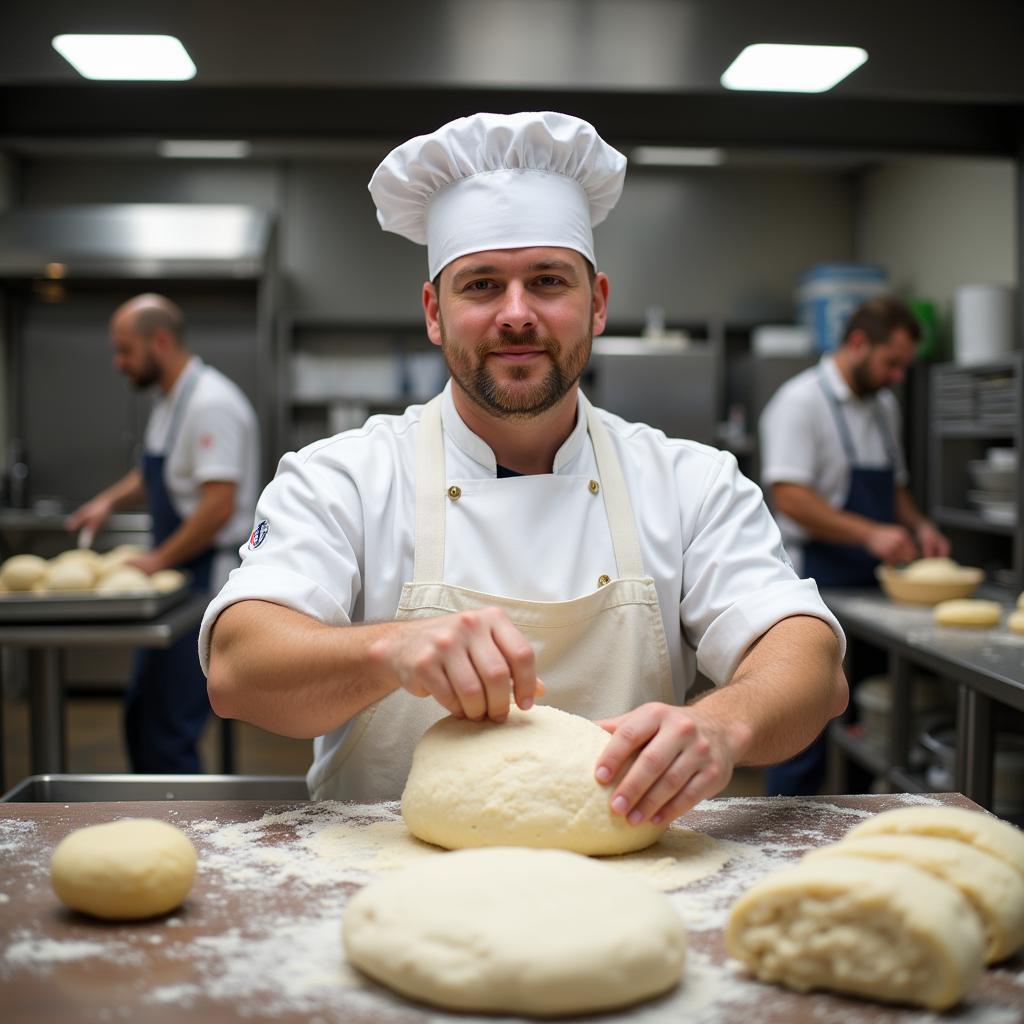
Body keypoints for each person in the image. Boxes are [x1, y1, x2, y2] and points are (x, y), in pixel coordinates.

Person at [201, 111, 848, 825]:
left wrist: (723, 725)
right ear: (433, 313)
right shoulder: (343, 477)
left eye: (547, 281)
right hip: (378, 885)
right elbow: (237, 670)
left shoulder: (690, 482)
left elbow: (810, 664)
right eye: (480, 285)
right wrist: (392, 647)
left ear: (597, 303)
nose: (516, 314)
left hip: (626, 891)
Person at [758, 296, 950, 794]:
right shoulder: (800, 402)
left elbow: (896, 488)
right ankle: (782, 827)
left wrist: (918, 524)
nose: (898, 376)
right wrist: (870, 532)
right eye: (892, 363)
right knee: (807, 722)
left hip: (873, 586)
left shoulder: (884, 406)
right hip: (813, 582)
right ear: (859, 343)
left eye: (904, 366)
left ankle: (854, 822)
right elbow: (790, 496)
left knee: (868, 715)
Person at [67, 293, 260, 773]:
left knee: (169, 728)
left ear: (160, 341)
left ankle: (183, 837)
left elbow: (218, 507)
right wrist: (106, 503)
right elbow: (154, 472)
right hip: (178, 581)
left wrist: (156, 561)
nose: (119, 363)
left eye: (125, 350)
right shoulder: (171, 401)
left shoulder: (212, 404)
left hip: (203, 585)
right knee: (142, 714)